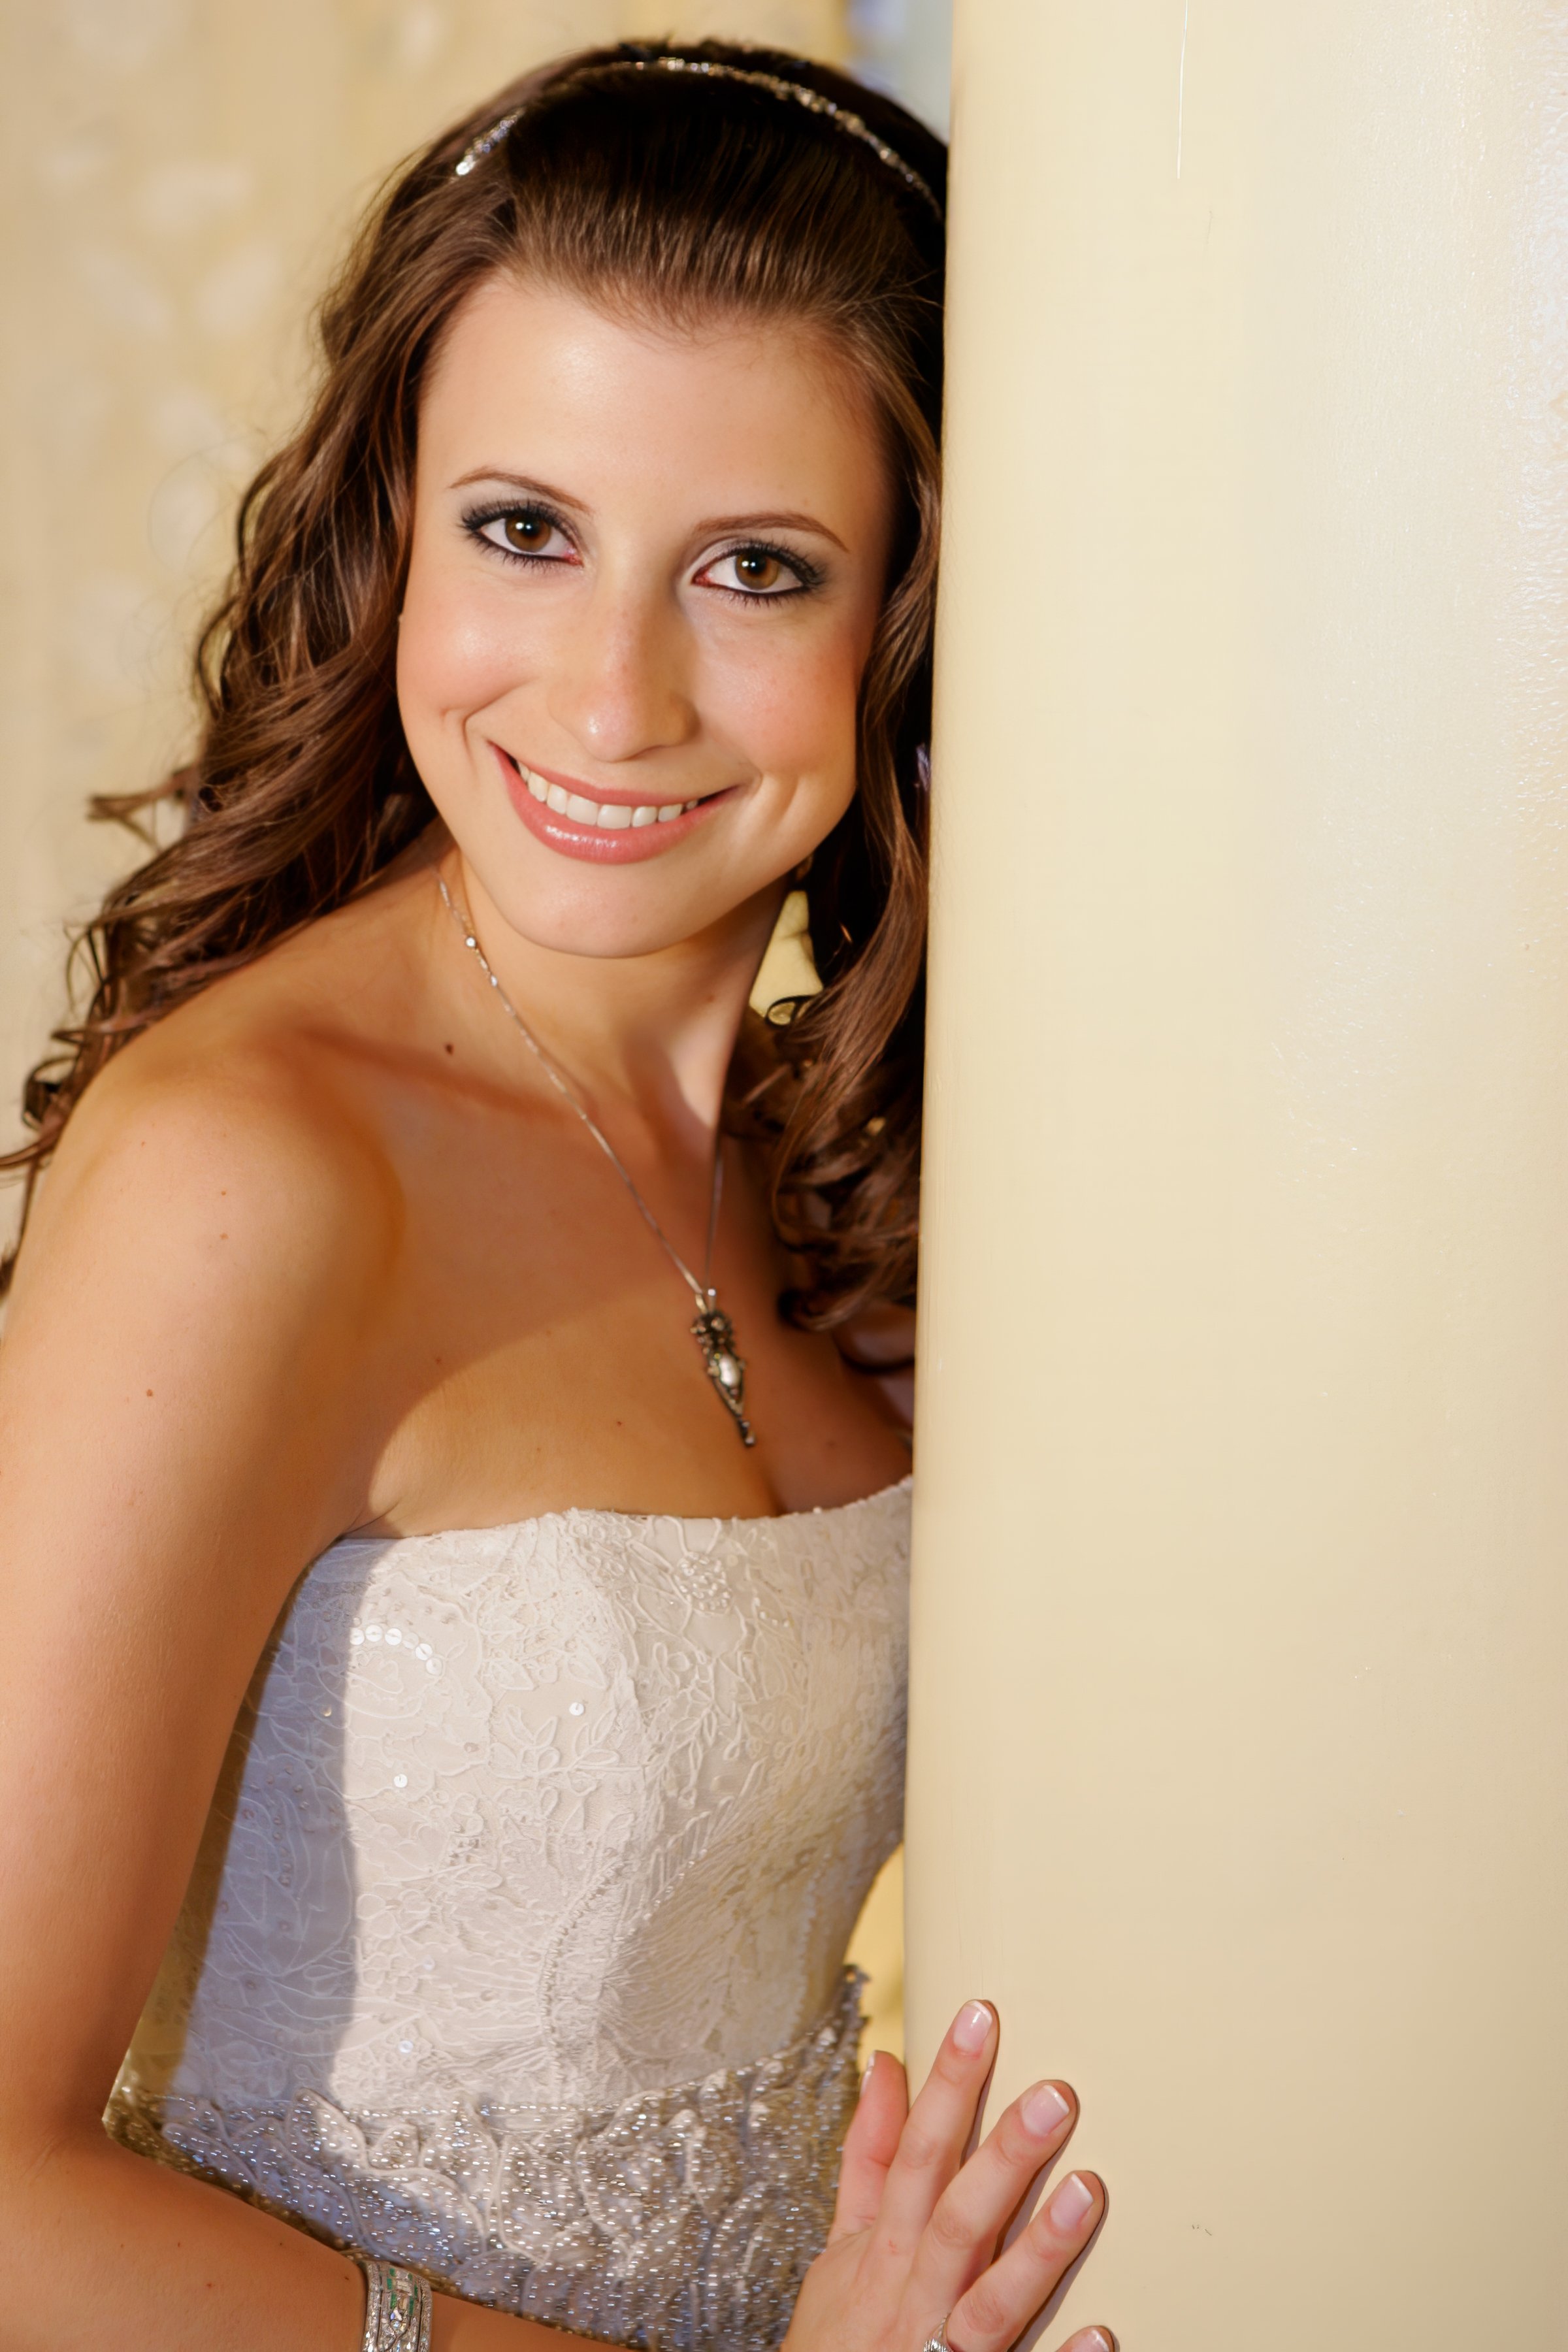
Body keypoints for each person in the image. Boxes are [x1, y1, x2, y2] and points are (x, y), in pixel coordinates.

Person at [0, 39, 1113, 2352]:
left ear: (909, 604)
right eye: (525, 529)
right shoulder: (254, 1176)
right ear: (390, 523)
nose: (610, 700)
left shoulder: (879, 1175)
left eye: (755, 568)